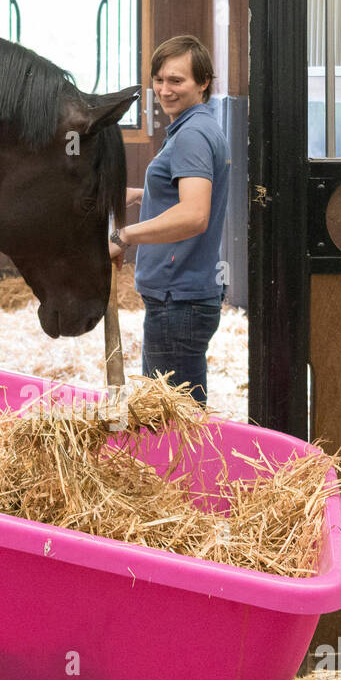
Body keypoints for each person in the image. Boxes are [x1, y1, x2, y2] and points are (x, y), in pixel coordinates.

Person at [108, 35, 230, 405]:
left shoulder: (191, 135)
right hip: (183, 297)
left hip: (179, 300)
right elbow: (188, 194)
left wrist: (123, 236)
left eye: (177, 81)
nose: (164, 89)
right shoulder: (198, 126)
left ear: (203, 82)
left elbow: (194, 214)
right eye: (159, 79)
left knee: (174, 425)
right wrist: (141, 195)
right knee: (175, 414)